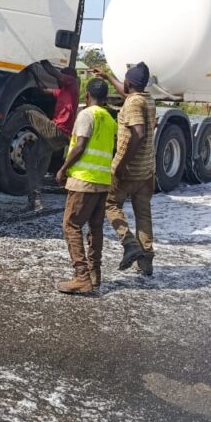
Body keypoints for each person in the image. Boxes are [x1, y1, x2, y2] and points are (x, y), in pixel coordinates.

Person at [54, 78, 116, 295]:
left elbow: (80, 145)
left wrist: (63, 169)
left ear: (87, 96)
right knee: (95, 228)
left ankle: (82, 277)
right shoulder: (109, 119)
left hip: (84, 180)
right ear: (106, 98)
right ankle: (94, 274)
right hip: (102, 181)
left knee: (71, 225)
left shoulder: (86, 115)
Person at [95, 62, 157, 276]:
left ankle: (129, 243)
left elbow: (137, 133)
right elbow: (128, 95)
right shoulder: (147, 99)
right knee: (143, 214)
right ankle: (146, 260)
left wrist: (121, 165)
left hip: (129, 170)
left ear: (129, 82)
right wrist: (107, 77)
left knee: (110, 204)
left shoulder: (132, 104)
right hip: (146, 171)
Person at [23, 61, 80, 213]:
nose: (59, 80)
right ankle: (34, 200)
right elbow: (43, 89)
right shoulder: (62, 92)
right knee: (30, 157)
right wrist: (33, 73)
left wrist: (42, 61)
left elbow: (56, 74)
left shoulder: (73, 83)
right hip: (57, 137)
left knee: (27, 111)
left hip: (58, 131)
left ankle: (0, 138)